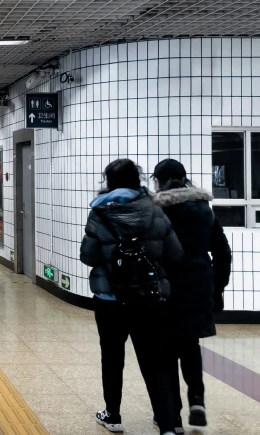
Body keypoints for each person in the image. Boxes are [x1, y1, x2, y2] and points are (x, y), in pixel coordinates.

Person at [80, 159, 183, 435]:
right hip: (148, 300)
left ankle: (112, 415)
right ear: (138, 180)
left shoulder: (100, 213)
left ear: (109, 182)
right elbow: (175, 253)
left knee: (112, 357)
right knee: (156, 361)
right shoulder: (155, 210)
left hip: (110, 300)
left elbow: (87, 256)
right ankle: (167, 423)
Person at [151, 159, 232, 428]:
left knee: (166, 351)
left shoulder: (158, 211)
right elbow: (222, 251)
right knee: (190, 345)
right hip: (199, 285)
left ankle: (172, 415)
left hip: (167, 287)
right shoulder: (203, 210)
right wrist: (218, 286)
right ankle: (197, 398)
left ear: (159, 182)